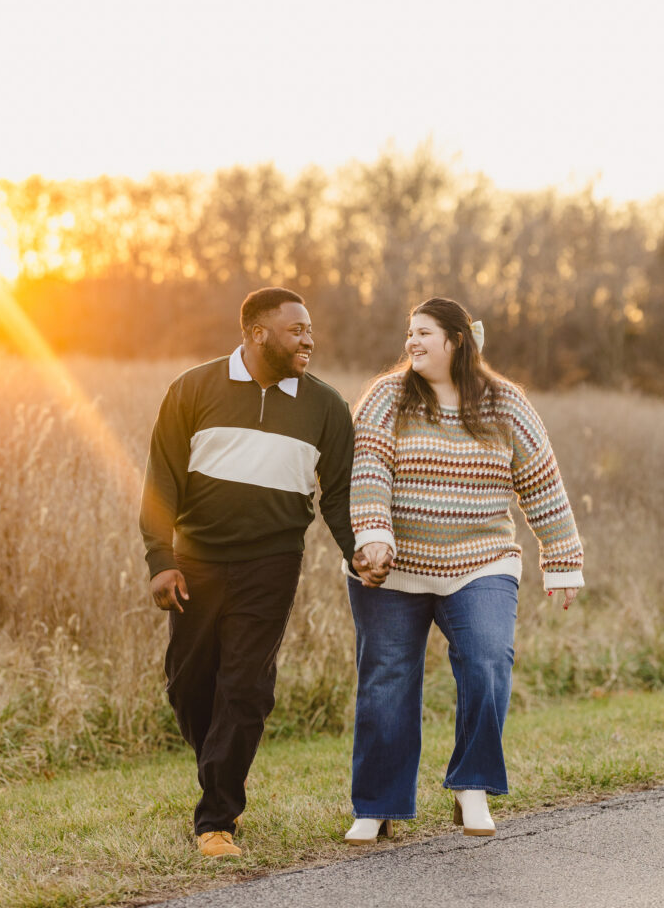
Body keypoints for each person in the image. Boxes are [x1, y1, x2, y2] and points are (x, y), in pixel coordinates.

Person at [139, 287, 381, 859]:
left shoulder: (325, 405)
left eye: (310, 329)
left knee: (246, 687)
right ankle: (222, 777)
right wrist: (160, 560)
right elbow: (160, 482)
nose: (309, 340)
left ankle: (216, 819)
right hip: (195, 560)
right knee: (189, 683)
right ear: (256, 334)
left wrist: (356, 552)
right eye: (296, 330)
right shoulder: (193, 388)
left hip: (272, 561)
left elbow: (340, 495)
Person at [343, 297, 584, 845]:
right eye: (409, 333)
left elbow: (542, 482)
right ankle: (377, 806)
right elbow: (370, 467)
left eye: (424, 333)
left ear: (456, 339)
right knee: (386, 681)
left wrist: (563, 559)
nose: (412, 342)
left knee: (487, 660)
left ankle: (471, 787)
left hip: (482, 562)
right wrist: (375, 535)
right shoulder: (387, 396)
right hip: (395, 568)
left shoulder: (504, 403)